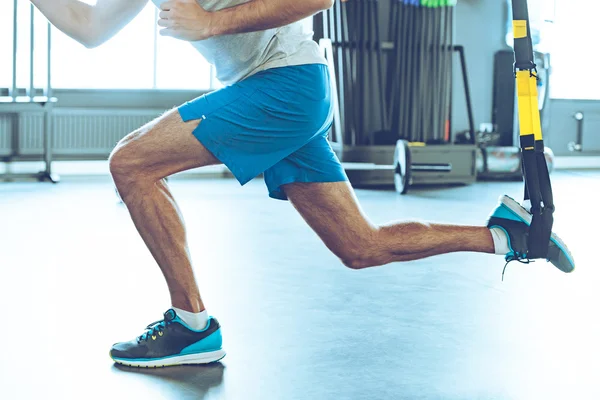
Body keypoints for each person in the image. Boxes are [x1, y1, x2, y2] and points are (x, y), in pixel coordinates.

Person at [31, 0, 574, 368]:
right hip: (282, 94)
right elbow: (88, 27)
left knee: (130, 162)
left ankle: (192, 324)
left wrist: (211, 24)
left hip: (285, 85)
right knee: (361, 247)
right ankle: (509, 235)